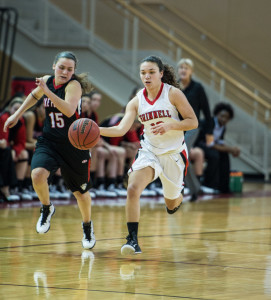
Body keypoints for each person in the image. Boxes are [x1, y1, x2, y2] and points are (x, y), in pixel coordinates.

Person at [100, 56, 198, 255]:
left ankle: (177, 195)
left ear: (161, 74)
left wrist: (172, 124)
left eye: (152, 72)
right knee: (133, 188)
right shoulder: (136, 100)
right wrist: (96, 129)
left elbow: (193, 121)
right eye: (143, 73)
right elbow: (120, 129)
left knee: (171, 203)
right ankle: (132, 239)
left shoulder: (173, 94)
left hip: (173, 154)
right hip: (149, 152)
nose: (147, 76)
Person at [3, 51, 95, 249]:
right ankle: (47, 208)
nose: (65, 71)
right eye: (61, 67)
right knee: (36, 175)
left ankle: (87, 226)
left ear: (74, 72)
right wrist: (17, 115)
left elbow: (69, 110)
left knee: (80, 192)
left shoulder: (73, 86)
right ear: (54, 66)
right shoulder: (47, 81)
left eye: (69, 69)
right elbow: (33, 96)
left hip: (74, 145)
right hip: (50, 141)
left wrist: (47, 90)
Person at [177, 58, 213, 200]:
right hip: (177, 128)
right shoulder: (174, 87)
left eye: (187, 68)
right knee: (181, 157)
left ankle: (188, 188)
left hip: (192, 126)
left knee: (181, 153)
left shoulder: (198, 88)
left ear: (191, 71)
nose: (183, 70)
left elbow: (207, 111)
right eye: (181, 68)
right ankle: (195, 189)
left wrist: (210, 132)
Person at [195, 102, 240, 193]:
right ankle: (208, 185)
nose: (224, 119)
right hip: (198, 145)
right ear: (217, 114)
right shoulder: (210, 122)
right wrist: (231, 149)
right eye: (222, 116)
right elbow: (210, 144)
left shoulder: (223, 127)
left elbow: (220, 143)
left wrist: (233, 151)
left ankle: (223, 186)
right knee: (214, 155)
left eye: (227, 118)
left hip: (208, 146)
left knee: (224, 155)